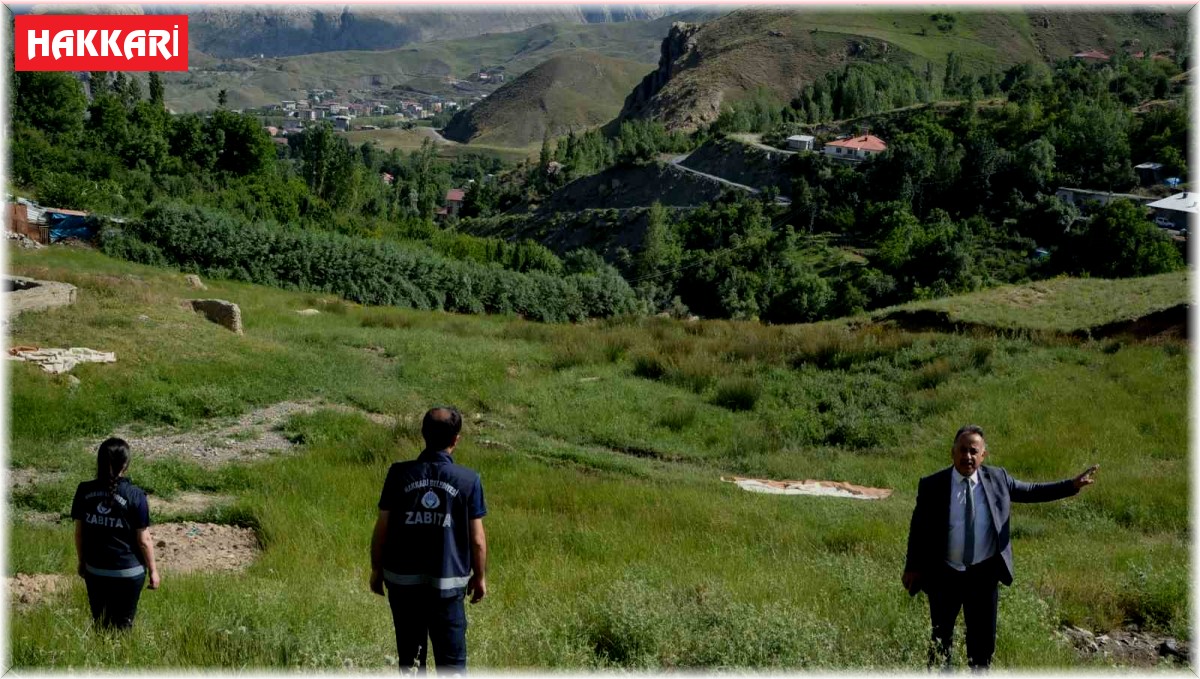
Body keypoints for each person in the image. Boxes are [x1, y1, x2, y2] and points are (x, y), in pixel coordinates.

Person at [902, 425, 1097, 669]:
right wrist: (912, 566)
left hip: (983, 577)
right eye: (962, 450)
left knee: (982, 648)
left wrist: (1071, 486)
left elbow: (1032, 491)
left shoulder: (998, 479)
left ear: (983, 455)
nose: (967, 456)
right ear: (952, 452)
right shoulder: (932, 485)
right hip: (945, 576)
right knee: (940, 644)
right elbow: (918, 528)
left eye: (974, 451)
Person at [370, 407, 488, 673]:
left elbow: (382, 528)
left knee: (411, 662)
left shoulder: (399, 474)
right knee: (452, 665)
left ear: (422, 434)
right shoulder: (468, 480)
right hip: (447, 588)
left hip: (402, 585)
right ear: (456, 439)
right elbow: (477, 540)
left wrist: (376, 570)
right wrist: (479, 577)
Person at [71, 437, 161, 630]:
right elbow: (144, 540)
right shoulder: (136, 495)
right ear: (126, 464)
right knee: (123, 626)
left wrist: (82, 561)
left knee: (100, 625)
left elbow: (79, 533)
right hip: (129, 573)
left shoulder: (84, 490)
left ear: (99, 461)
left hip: (95, 570)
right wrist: (153, 571)